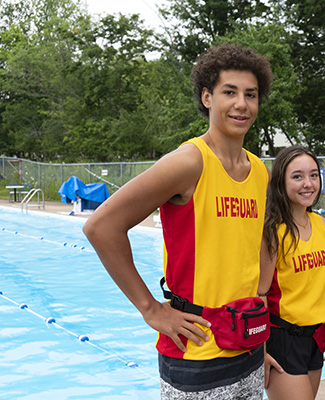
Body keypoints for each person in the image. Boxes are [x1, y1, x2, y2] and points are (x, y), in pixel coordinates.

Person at [83, 42, 273, 399]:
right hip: (196, 351)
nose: (241, 104)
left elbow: (250, 243)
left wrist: (260, 298)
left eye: (251, 94)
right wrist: (150, 308)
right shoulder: (189, 162)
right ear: (206, 97)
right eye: (229, 92)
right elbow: (101, 226)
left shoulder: (258, 170)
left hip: (247, 342)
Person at [257, 145, 325, 400]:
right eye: (298, 176)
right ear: (281, 182)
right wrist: (261, 349)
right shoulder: (272, 232)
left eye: (314, 175)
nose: (308, 184)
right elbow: (258, 295)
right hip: (283, 341)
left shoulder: (322, 225)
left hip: (315, 339)